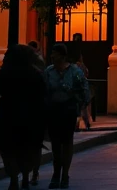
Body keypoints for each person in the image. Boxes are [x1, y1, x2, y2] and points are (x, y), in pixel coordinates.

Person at [0, 44, 47, 190]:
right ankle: (25, 176)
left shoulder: (6, 72)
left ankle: (13, 178)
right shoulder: (35, 73)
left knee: (9, 149)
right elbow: (43, 93)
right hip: (30, 116)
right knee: (27, 148)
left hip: (9, 115)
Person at [44, 43, 89, 189]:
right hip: (54, 109)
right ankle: (56, 173)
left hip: (68, 109)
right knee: (56, 143)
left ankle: (65, 174)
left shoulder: (74, 71)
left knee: (67, 141)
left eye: (55, 53)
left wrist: (80, 103)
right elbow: (45, 91)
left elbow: (84, 89)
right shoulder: (49, 72)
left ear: (62, 56)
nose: (52, 56)